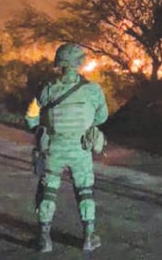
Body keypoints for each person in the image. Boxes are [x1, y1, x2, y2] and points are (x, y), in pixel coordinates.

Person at [24, 43, 108, 253]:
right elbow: (102, 116)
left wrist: (38, 130)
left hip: (54, 149)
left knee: (48, 191)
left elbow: (30, 116)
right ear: (79, 64)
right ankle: (89, 237)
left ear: (59, 64)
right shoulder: (93, 90)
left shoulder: (48, 90)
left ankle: (44, 239)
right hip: (81, 149)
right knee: (85, 191)